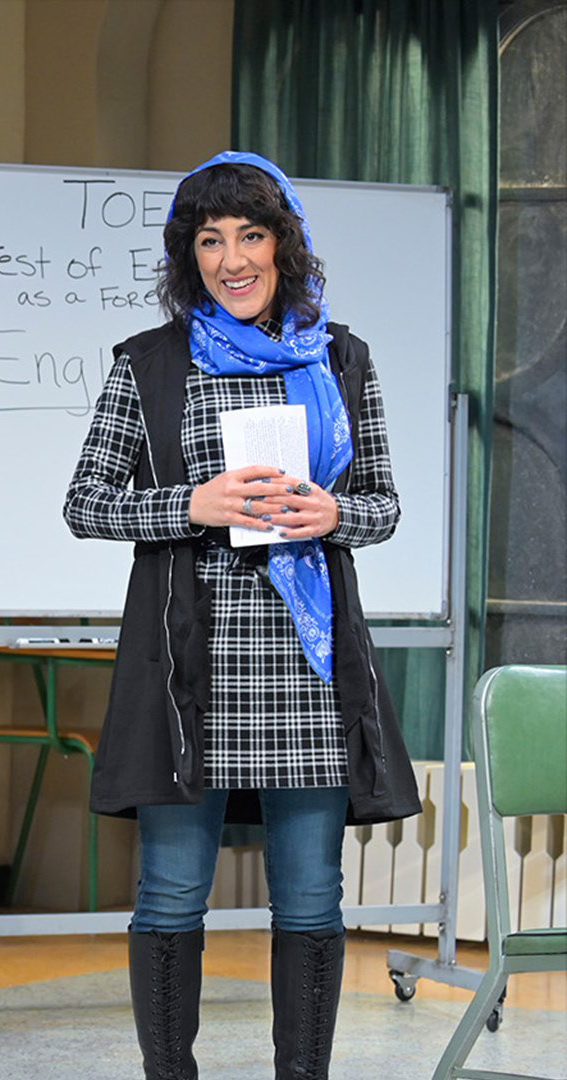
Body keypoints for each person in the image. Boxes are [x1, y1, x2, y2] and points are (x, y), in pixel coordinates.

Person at [62, 152, 420, 1080]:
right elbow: (87, 503)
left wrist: (336, 514)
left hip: (308, 668)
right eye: (209, 241)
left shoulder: (343, 358)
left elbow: (382, 501)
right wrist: (191, 504)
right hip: (191, 670)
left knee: (310, 898)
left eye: (249, 236)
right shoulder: (149, 363)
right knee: (171, 893)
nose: (231, 259)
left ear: (283, 245)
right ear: (190, 256)